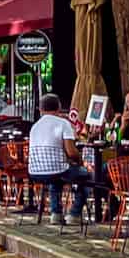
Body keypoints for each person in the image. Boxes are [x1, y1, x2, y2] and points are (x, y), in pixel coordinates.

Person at [26, 94, 91, 225]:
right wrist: (81, 162)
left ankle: (56, 214)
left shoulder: (35, 127)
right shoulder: (63, 124)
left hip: (34, 172)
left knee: (56, 177)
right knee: (88, 176)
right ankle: (74, 214)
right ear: (59, 108)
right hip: (57, 170)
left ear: (40, 109)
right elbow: (72, 152)